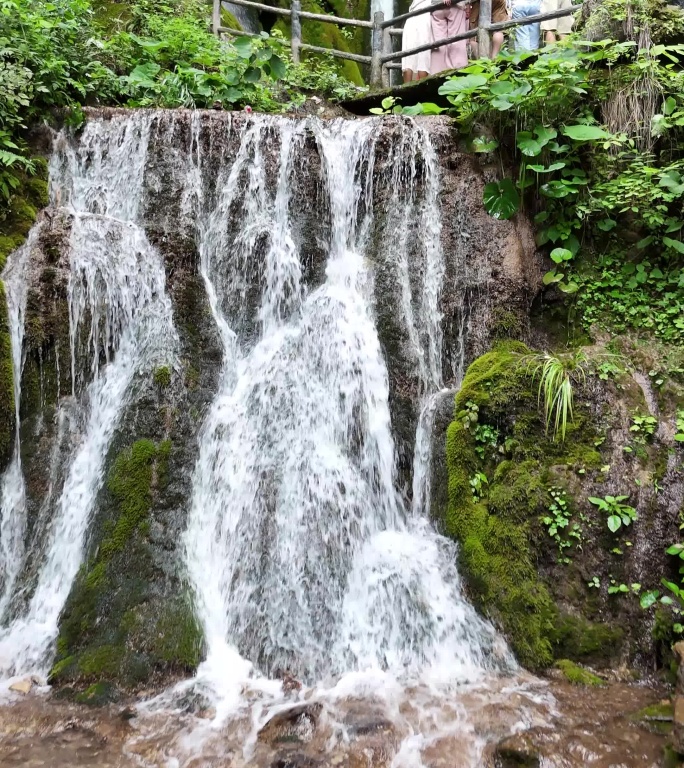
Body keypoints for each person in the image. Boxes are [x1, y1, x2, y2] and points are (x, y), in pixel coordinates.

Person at [430, 0, 469, 73]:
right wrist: (467, 5)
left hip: (436, 7)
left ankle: (436, 72)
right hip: (456, 5)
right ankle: (458, 70)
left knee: (438, 42)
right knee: (456, 39)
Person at [402, 0, 434, 83]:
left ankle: (406, 90)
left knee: (408, 55)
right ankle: (423, 88)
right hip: (425, 14)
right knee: (423, 52)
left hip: (412, 14)